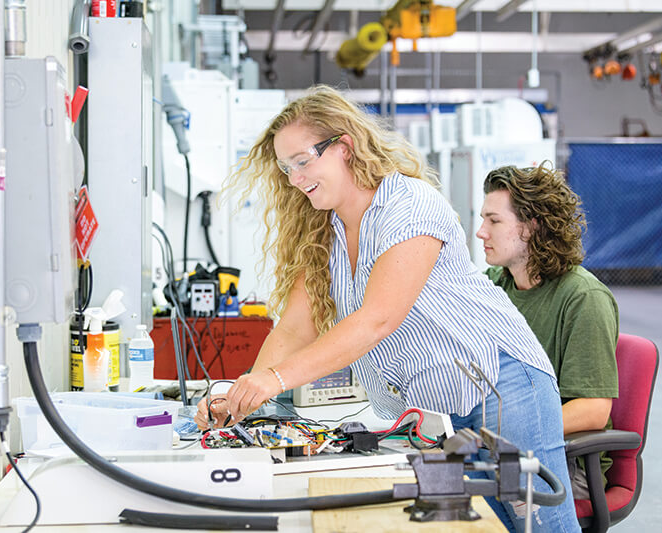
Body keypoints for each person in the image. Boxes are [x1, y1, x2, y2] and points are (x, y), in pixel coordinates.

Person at [194, 85, 580, 532]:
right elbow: (294, 331)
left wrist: (272, 380)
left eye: (303, 161)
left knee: (539, 526)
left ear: (344, 147)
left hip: (500, 384)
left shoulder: (408, 205)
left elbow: (378, 318)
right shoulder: (325, 230)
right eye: (286, 169)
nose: (295, 178)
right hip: (433, 411)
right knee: (470, 528)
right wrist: (246, 400)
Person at [476, 163, 619, 501]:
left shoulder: (583, 298)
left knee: (463, 498)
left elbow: (594, 409)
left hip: (566, 462)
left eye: (494, 221)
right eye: (483, 219)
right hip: (508, 448)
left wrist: (501, 430)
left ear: (532, 228)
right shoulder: (495, 285)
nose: (482, 232)